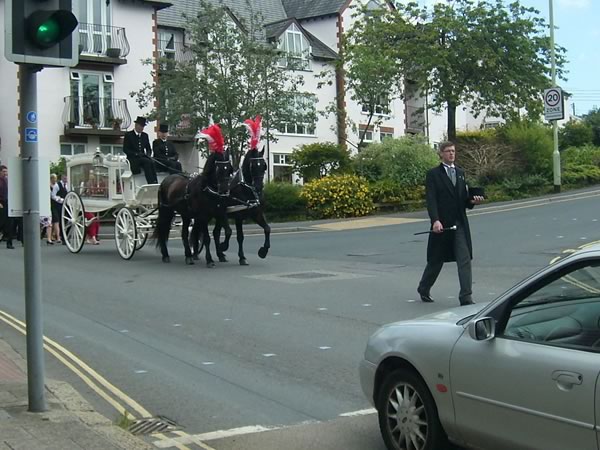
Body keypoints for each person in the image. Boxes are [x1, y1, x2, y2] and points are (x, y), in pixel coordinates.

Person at [417, 141, 484, 306]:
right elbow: (431, 199)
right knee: (436, 260)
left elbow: (463, 200)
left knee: (464, 258)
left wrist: (473, 201)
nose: (451, 154)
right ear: (441, 153)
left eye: (453, 151)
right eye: (448, 151)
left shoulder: (460, 173)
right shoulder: (433, 174)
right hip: (442, 225)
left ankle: (466, 297)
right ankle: (424, 287)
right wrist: (435, 220)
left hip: (459, 223)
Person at [123, 116, 158, 184]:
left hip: (143, 157)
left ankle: (155, 181)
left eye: (143, 126)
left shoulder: (145, 135)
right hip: (133, 159)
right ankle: (150, 182)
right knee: (147, 162)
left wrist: (148, 155)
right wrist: (135, 154)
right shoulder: (128, 135)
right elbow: (125, 149)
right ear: (136, 125)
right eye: (141, 126)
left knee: (152, 162)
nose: (142, 128)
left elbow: (148, 148)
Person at [0, 165, 14, 249]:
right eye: (4, 171)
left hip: (8, 202)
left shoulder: (7, 180)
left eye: (6, 171)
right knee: (2, 222)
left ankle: (9, 243)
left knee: (10, 223)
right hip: (1, 203)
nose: (5, 173)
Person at [49, 174, 63, 244]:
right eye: (54, 178)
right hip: (52, 204)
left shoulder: (56, 185)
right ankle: (58, 237)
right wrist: (59, 199)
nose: (55, 180)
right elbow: (52, 196)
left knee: (54, 221)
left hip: (57, 204)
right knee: (55, 221)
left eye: (56, 178)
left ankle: (53, 235)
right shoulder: (51, 186)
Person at [56, 173, 69, 244]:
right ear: (61, 177)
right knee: (62, 221)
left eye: (66, 178)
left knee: (69, 220)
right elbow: (53, 195)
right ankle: (63, 237)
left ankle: (65, 234)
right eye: (64, 178)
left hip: (68, 204)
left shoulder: (68, 185)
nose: (65, 179)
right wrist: (60, 200)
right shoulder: (57, 185)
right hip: (59, 205)